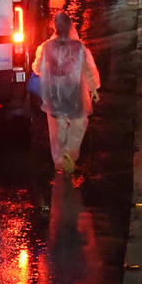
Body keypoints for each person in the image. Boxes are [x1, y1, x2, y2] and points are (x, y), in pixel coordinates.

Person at [33, 12, 101, 174]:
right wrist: (93, 88)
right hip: (75, 94)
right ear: (71, 26)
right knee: (78, 124)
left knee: (56, 129)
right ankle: (71, 154)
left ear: (55, 27)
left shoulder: (45, 47)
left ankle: (59, 162)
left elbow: (37, 68)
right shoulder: (79, 47)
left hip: (54, 94)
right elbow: (88, 69)